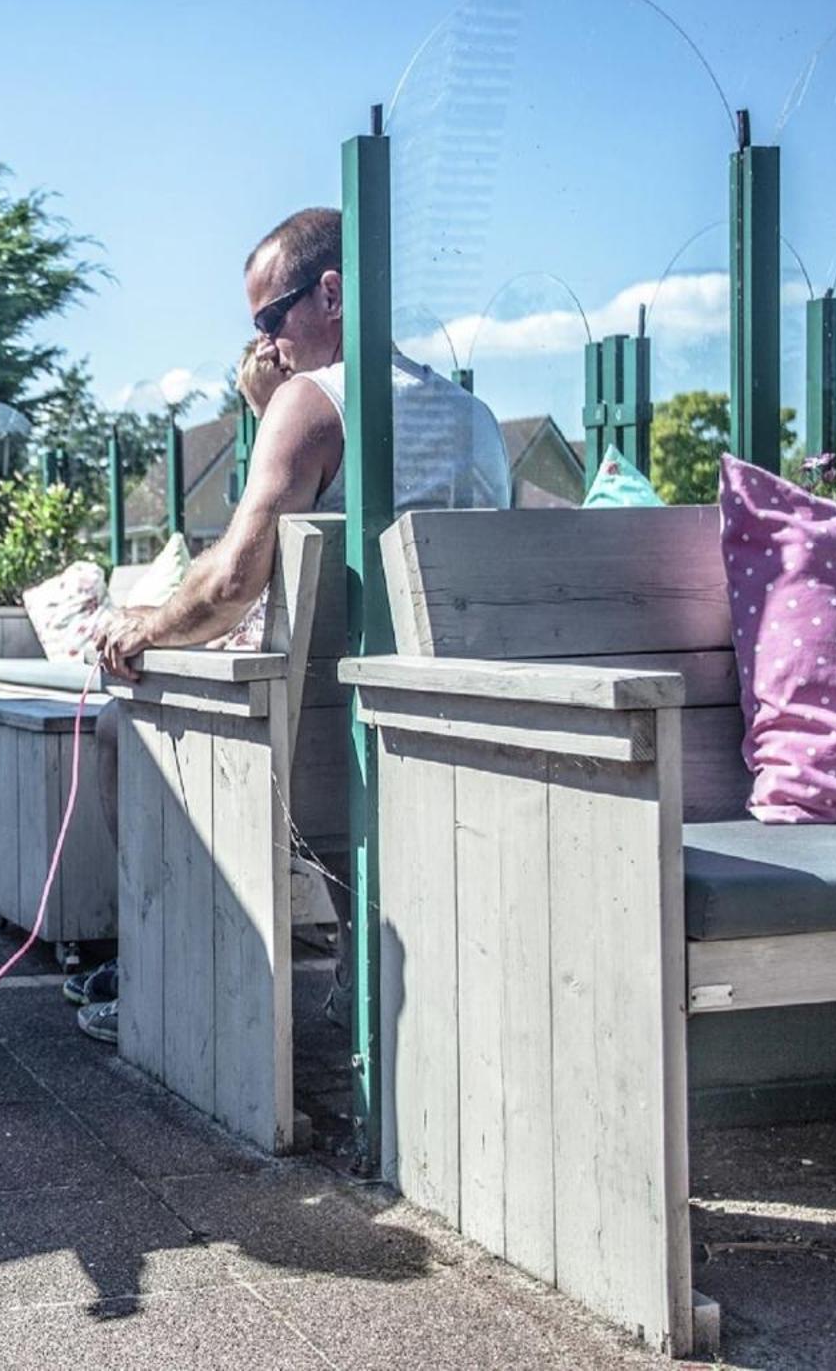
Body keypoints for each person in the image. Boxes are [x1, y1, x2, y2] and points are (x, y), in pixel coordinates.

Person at [73, 207, 509, 1043]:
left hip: (329, 752)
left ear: (333, 292)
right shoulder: (475, 419)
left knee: (119, 731)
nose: (266, 344)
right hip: (456, 730)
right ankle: (351, 967)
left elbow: (235, 581)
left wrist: (142, 627)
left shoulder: (311, 404)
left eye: (272, 318)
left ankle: (164, 978)